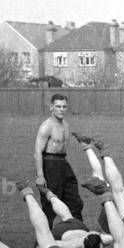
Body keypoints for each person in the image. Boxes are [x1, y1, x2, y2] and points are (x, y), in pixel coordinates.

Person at [35, 94, 84, 226]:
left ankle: (80, 234)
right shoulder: (46, 126)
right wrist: (40, 175)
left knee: (75, 202)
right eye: (58, 106)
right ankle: (41, 243)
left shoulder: (65, 125)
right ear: (51, 107)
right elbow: (37, 152)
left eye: (64, 107)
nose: (61, 109)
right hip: (50, 165)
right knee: (50, 205)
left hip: (63, 164)